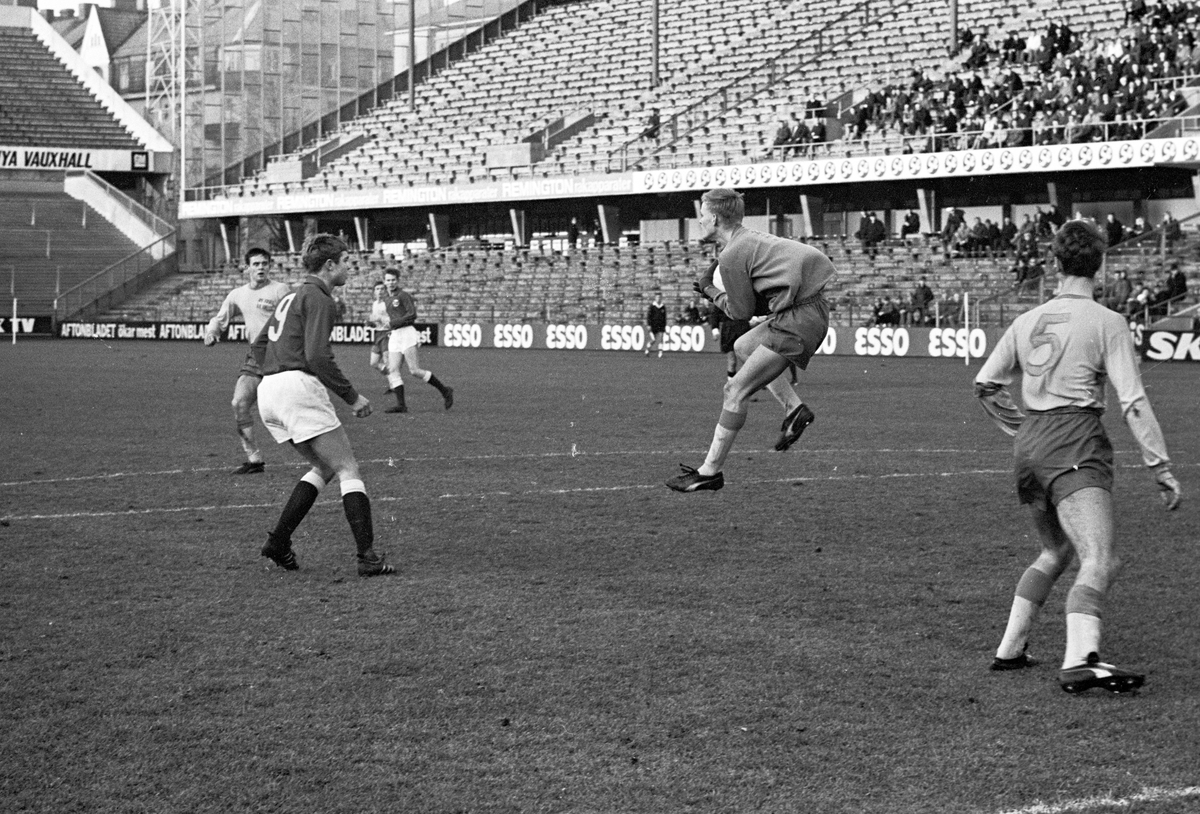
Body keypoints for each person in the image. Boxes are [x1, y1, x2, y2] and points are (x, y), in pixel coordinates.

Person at [975, 219, 1181, 693]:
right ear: (1101, 264)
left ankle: (1010, 649)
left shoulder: (1026, 320)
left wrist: (1021, 427)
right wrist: (1161, 465)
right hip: (1074, 439)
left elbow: (985, 383)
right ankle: (1080, 661)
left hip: (1031, 442)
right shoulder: (1108, 322)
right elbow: (1132, 400)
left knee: (1056, 549)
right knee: (1101, 559)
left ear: (1053, 263)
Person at [666, 188, 835, 493]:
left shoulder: (731, 254)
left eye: (703, 214)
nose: (701, 219)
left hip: (799, 317)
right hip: (806, 310)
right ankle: (795, 410)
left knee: (734, 390)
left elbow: (739, 311)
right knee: (744, 346)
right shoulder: (749, 239)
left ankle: (710, 472)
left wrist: (709, 290)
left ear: (715, 218)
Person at [251, 233, 395, 577]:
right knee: (348, 468)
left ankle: (278, 541)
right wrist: (352, 396)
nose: (349, 266)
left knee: (325, 466)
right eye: (346, 261)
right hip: (295, 386)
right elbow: (317, 356)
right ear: (329, 266)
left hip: (268, 389)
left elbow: (258, 346)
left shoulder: (291, 296)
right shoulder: (319, 298)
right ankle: (367, 557)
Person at [203, 247, 293, 475]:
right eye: (256, 264)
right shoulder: (237, 295)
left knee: (285, 412)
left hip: (280, 356)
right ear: (247, 268)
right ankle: (254, 460)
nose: (261, 267)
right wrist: (212, 332)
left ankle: (321, 452)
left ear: (270, 266)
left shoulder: (280, 290)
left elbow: (294, 320)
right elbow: (220, 318)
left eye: (265, 263)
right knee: (239, 403)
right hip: (256, 355)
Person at [380, 267, 454, 414]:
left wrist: (393, 323)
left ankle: (445, 390)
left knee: (414, 370)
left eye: (393, 280)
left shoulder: (403, 295)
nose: (391, 283)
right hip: (395, 335)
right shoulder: (386, 298)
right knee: (392, 370)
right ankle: (401, 405)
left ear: (398, 280)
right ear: (384, 281)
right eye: (388, 280)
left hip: (407, 333)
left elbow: (412, 315)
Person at [366, 281, 390, 377]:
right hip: (378, 334)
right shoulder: (375, 304)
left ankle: (394, 385)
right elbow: (376, 322)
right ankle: (393, 379)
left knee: (387, 360)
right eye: (377, 289)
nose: (380, 291)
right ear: (374, 292)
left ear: (385, 291)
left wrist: (380, 319)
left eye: (382, 289)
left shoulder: (388, 303)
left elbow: (392, 321)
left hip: (387, 334)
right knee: (373, 362)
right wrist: (370, 323)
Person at [645, 292, 668, 357]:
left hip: (660, 325)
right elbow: (649, 316)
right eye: (657, 297)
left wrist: (664, 325)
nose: (658, 298)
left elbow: (664, 317)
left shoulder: (663, 306)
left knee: (661, 338)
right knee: (653, 340)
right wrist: (649, 324)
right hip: (653, 325)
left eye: (659, 297)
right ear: (655, 298)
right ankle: (647, 349)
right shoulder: (652, 306)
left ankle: (660, 353)